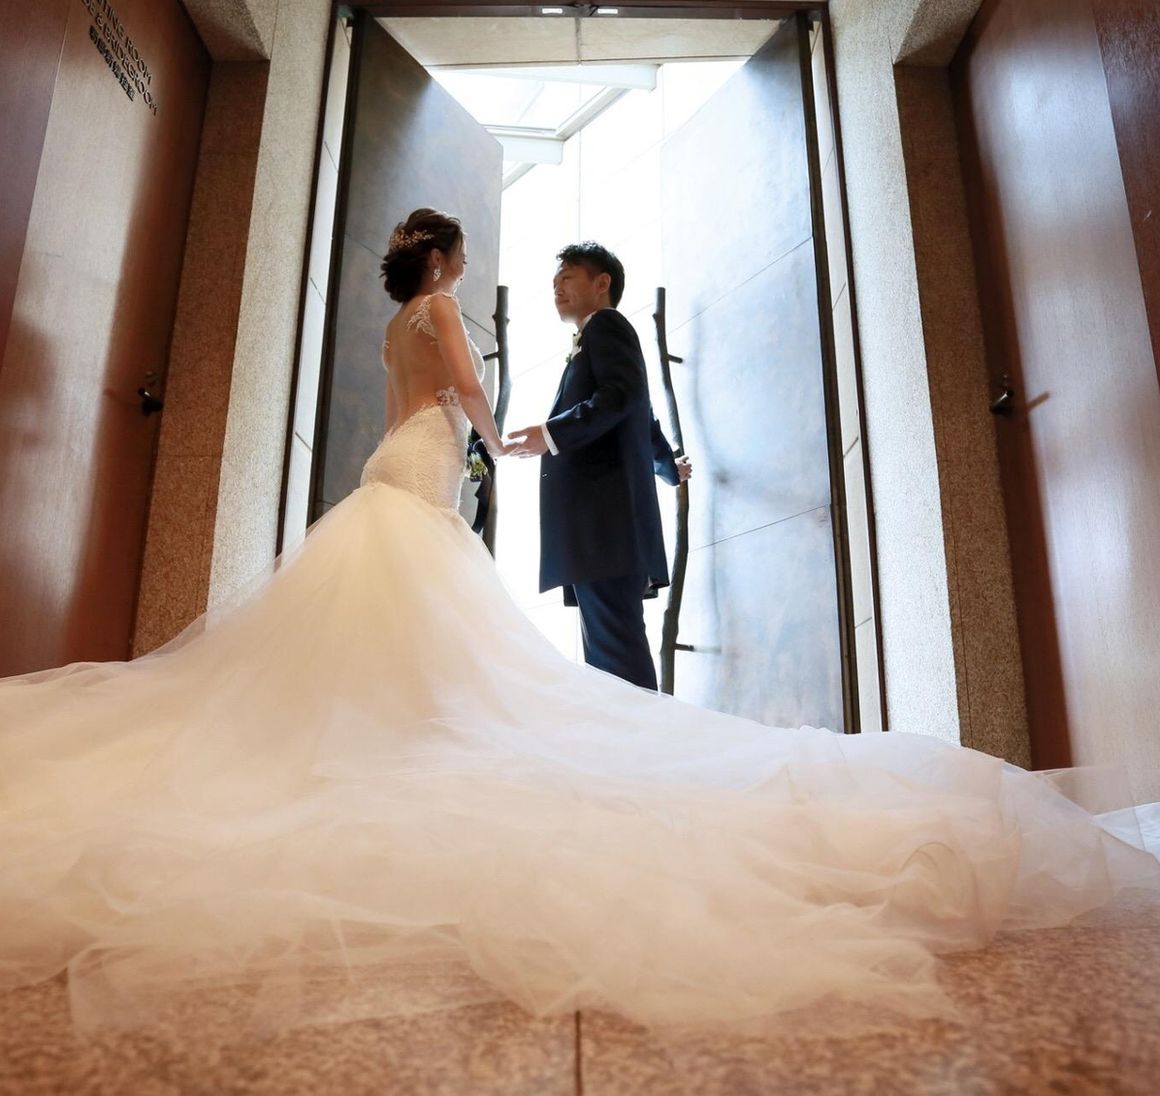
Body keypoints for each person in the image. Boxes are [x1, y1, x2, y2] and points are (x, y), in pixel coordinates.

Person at [0, 207, 1155, 1039]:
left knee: (419, 631)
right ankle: (507, 745)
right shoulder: (442, 307)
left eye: (563, 275)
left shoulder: (409, 319)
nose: (531, 283)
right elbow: (473, 394)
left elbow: (612, 407)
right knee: (494, 638)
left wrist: (586, 444)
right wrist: (505, 430)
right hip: (428, 466)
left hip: (390, 467)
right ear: (442, 258)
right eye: (469, 257)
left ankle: (397, 743)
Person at [508, 243, 691, 690]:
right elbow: (640, 414)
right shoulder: (593, 338)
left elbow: (620, 397)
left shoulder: (607, 325)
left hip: (604, 528)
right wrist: (668, 467)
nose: (557, 288)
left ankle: (646, 735)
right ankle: (634, 733)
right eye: (554, 283)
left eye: (567, 278)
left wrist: (550, 434)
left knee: (616, 658)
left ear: (601, 282)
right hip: (599, 533)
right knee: (609, 664)